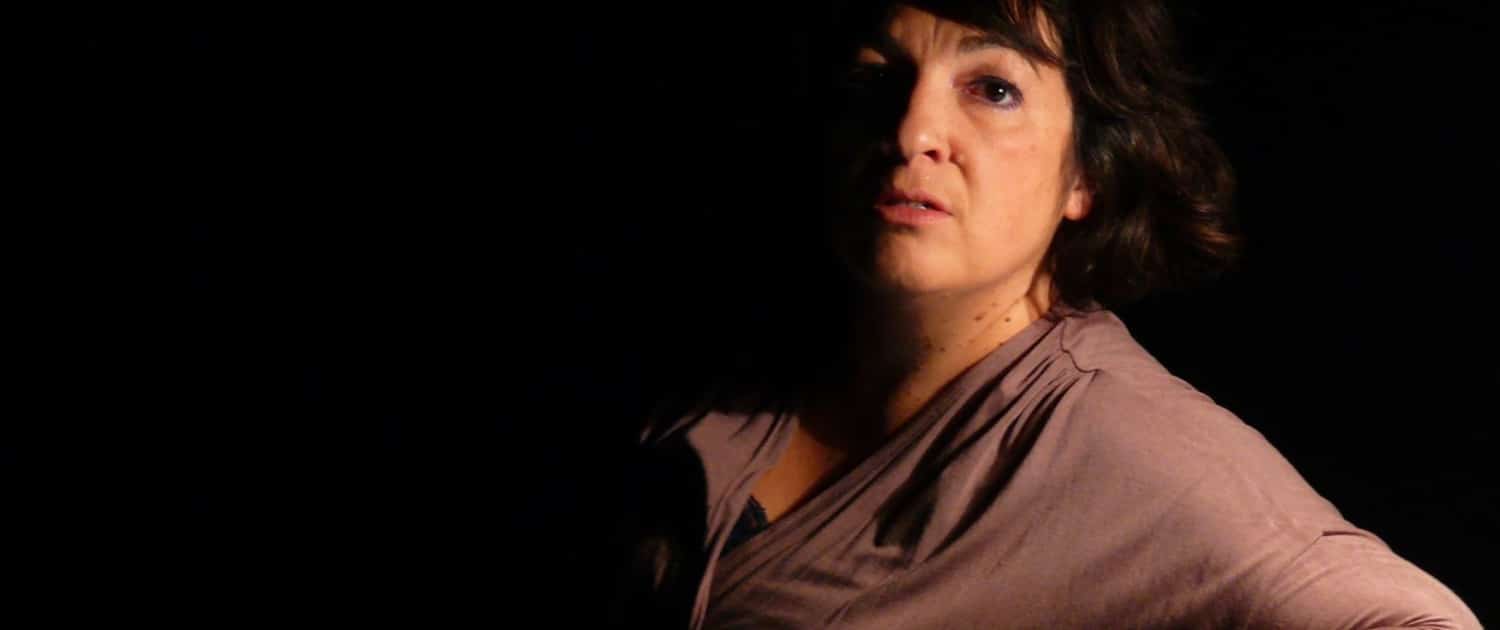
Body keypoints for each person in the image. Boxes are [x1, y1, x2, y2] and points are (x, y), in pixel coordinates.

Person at [609, 0, 1481, 627]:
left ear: (1086, 174)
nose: (912, 131)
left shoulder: (1130, 448)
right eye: (877, 77)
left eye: (992, 89)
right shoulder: (731, 357)